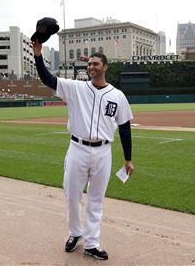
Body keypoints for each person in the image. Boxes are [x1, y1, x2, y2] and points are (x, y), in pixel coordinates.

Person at [32, 40, 134, 261]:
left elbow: (125, 128)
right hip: (78, 148)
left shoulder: (118, 96)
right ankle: (75, 232)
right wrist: (38, 55)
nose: (92, 68)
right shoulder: (76, 88)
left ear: (105, 67)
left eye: (96, 64)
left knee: (96, 199)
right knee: (72, 195)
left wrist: (128, 159)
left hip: (103, 152)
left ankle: (92, 243)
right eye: (90, 65)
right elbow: (47, 79)